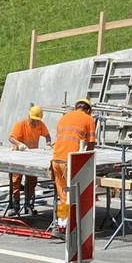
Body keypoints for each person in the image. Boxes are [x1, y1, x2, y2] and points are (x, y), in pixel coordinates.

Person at [51, 96, 96, 233]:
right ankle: (70, 228)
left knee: (63, 197)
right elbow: (91, 144)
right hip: (71, 162)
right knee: (73, 197)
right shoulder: (89, 119)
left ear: (76, 107)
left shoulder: (63, 118)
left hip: (56, 160)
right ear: (88, 110)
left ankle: (61, 227)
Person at [7, 103, 51, 215]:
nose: (34, 122)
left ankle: (29, 205)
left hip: (32, 156)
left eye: (36, 120)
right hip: (19, 155)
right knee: (16, 180)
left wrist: (48, 144)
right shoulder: (21, 124)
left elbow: (47, 135)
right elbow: (11, 138)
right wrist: (19, 144)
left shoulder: (40, 124)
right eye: (33, 120)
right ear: (29, 116)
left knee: (32, 181)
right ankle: (15, 205)